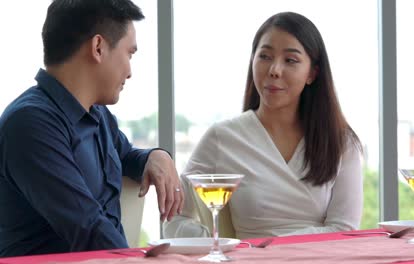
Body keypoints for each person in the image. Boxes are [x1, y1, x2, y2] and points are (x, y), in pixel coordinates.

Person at [0, 0, 183, 257]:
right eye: (129, 54)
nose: (130, 71)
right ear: (98, 47)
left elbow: (126, 155)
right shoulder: (29, 123)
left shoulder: (97, 114)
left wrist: (155, 155)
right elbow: (87, 227)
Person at [163, 11, 363, 239]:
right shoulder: (223, 138)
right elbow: (174, 219)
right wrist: (218, 244)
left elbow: (344, 231)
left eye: (290, 60)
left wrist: (272, 247)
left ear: (312, 73)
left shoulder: (341, 142)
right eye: (265, 56)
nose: (274, 70)